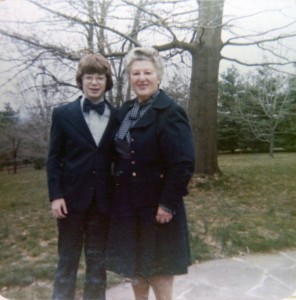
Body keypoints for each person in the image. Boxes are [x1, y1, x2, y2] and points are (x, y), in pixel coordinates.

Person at [106, 47, 195, 300]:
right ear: (130, 78)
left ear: (159, 76)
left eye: (147, 72)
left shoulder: (170, 112)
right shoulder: (125, 112)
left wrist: (168, 203)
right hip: (126, 206)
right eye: (136, 73)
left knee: (159, 270)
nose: (141, 78)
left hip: (157, 207)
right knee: (135, 268)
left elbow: (183, 163)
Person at [47, 53, 118, 300]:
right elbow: (54, 158)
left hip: (102, 204)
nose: (95, 83)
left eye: (100, 77)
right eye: (90, 77)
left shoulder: (118, 117)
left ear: (107, 82)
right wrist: (55, 196)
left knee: (97, 266)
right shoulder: (63, 114)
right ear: (81, 80)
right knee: (67, 263)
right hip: (70, 203)